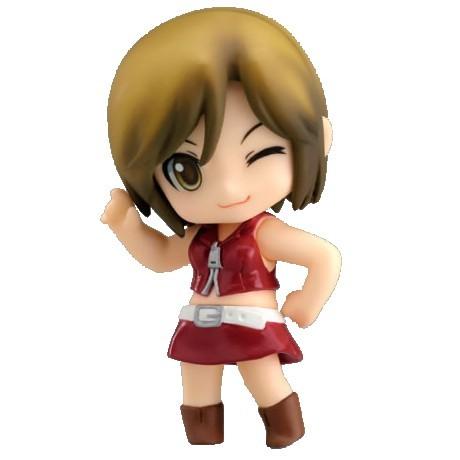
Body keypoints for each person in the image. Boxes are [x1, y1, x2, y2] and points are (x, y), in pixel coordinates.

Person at [101, 7, 341, 449]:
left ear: (317, 140)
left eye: (262, 153)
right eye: (186, 169)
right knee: (195, 378)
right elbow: (161, 257)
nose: (229, 188)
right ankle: (203, 439)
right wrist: (125, 224)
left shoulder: (264, 233)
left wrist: (309, 302)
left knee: (262, 374)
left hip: (251, 322)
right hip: (200, 321)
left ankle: (286, 432)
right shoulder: (198, 235)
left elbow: (324, 256)